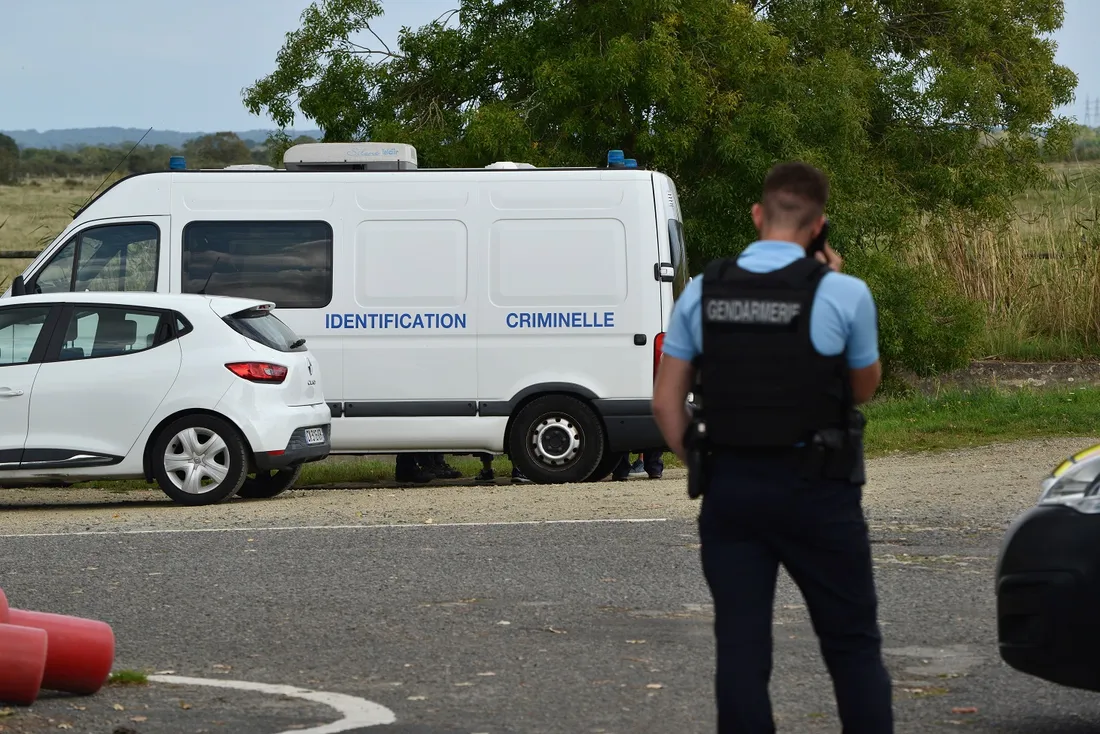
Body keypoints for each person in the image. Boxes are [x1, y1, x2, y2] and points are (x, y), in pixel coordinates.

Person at [651, 161, 893, 733]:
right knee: (852, 645)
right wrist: (829, 281)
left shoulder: (704, 291)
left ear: (758, 215)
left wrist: (708, 462)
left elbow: (665, 404)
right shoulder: (844, 293)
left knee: (741, 648)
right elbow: (862, 388)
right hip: (819, 491)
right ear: (819, 227)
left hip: (732, 491)